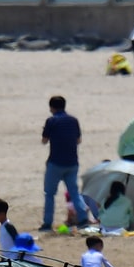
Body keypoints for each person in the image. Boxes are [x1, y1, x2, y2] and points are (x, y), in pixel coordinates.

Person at [40, 95, 90, 231]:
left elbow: (44, 141)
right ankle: (83, 218)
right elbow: (78, 140)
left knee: (49, 194)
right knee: (74, 192)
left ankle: (47, 223)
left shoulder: (51, 121)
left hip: (55, 162)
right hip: (72, 162)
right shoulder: (74, 120)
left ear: (51, 107)